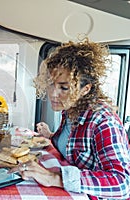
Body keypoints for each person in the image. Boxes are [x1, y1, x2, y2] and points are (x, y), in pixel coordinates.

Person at [17, 39, 130, 199]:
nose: (53, 94)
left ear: (85, 89)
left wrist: (54, 178)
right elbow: (70, 146)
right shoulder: (69, 110)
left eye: (64, 87)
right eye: (51, 84)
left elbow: (122, 183)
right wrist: (50, 136)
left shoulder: (103, 121)